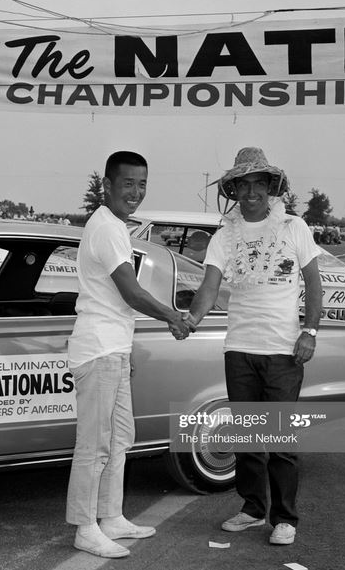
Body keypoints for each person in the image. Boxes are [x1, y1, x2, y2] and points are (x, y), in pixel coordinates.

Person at [184, 147, 322, 546]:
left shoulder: (295, 228)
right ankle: (252, 509)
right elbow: (210, 287)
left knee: (279, 440)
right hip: (240, 348)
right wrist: (189, 320)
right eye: (242, 186)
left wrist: (309, 332)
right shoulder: (224, 237)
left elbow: (313, 283)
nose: (250, 193)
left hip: (283, 349)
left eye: (257, 184)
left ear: (270, 188)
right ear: (234, 191)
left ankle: (284, 518)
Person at [66, 150, 191, 559]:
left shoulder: (115, 226)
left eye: (142, 185)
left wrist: (126, 348)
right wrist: (173, 316)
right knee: (95, 444)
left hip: (113, 347)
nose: (135, 192)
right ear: (108, 185)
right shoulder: (106, 228)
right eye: (127, 184)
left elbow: (117, 302)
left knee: (121, 437)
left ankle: (112, 516)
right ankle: (85, 527)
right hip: (98, 349)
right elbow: (131, 293)